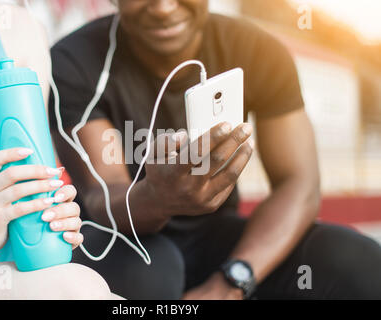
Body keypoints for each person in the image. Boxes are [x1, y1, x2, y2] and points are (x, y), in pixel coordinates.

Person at [49, 0, 381, 299]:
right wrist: (158, 196)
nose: (164, 7)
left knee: (358, 261)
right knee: (150, 274)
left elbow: (300, 185)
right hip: (119, 241)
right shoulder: (72, 61)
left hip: (218, 238)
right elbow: (101, 197)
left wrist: (233, 281)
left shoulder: (257, 50)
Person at [0, 0, 118, 300]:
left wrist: (53, 213)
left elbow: (34, 166)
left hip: (14, 270)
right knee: (77, 290)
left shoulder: (20, 30)